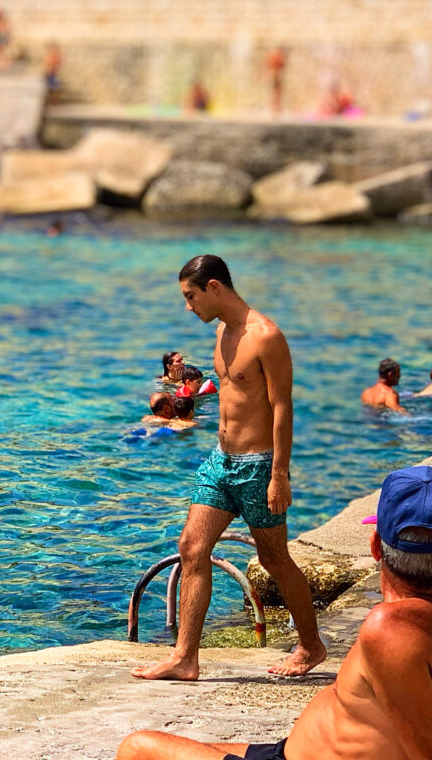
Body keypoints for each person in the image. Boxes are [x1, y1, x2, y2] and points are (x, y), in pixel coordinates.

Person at [118, 465, 432, 760]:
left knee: (138, 749)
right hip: (292, 750)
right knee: (211, 747)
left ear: (376, 546)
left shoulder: (391, 629)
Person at [132, 255, 325, 680]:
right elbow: (229, 394)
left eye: (191, 296)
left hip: (258, 466)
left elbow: (281, 408)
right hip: (220, 461)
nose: (188, 307)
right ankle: (185, 657)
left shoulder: (267, 336)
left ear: (214, 287)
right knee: (192, 548)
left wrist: (279, 474)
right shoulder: (221, 332)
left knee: (274, 559)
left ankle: (311, 646)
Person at [266, 47, 287, 115]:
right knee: (275, 93)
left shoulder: (277, 58)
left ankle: (276, 108)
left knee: (277, 93)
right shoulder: (276, 58)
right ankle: (275, 108)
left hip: (276, 76)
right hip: (275, 76)